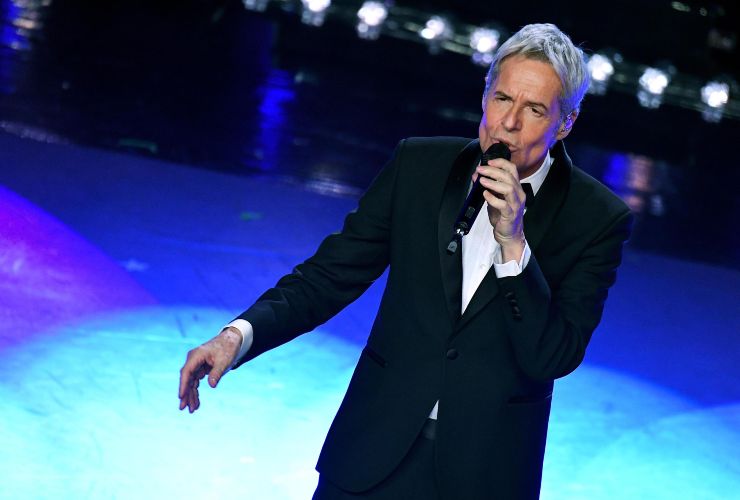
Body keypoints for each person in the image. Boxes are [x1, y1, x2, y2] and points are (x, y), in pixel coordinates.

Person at [178, 23, 633, 499]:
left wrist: (514, 245)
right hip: (370, 454)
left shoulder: (596, 219)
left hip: (485, 474)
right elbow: (329, 276)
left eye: (534, 109)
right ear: (485, 96)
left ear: (565, 124)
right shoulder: (419, 166)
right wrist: (237, 336)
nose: (509, 123)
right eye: (502, 99)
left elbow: (553, 356)